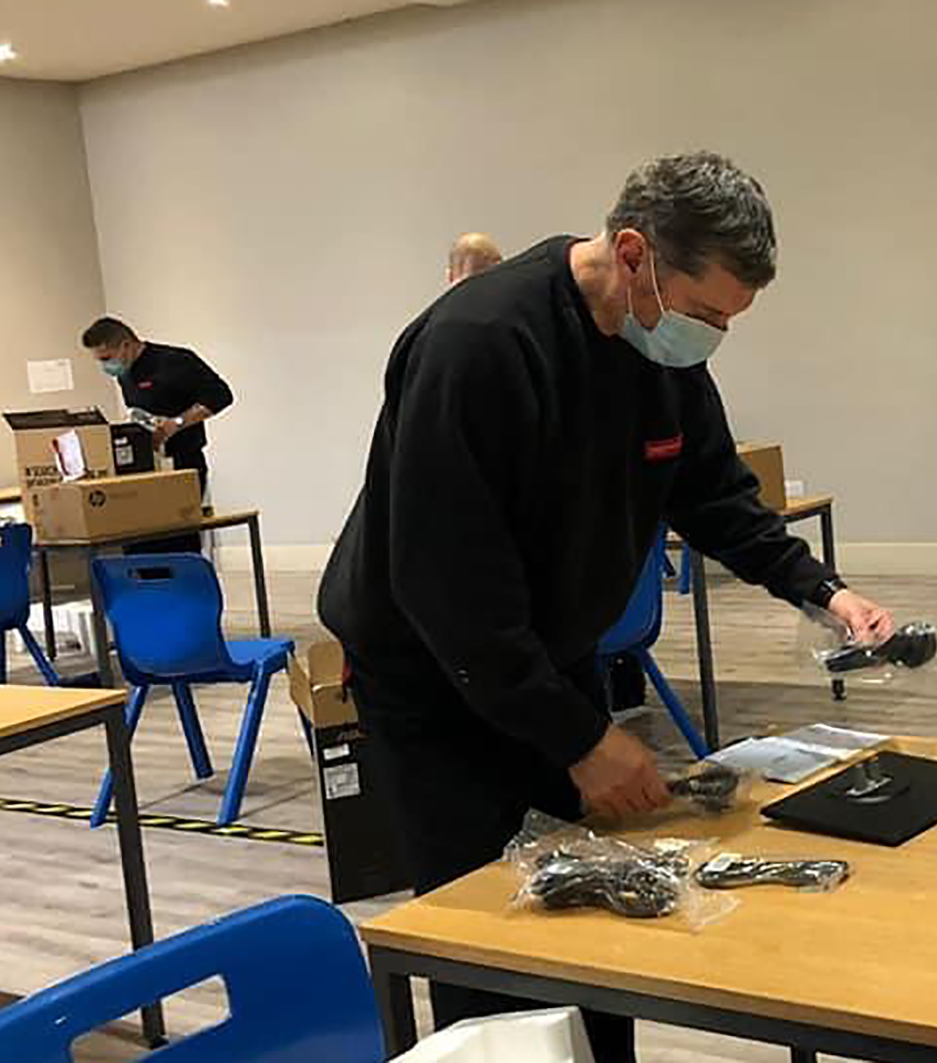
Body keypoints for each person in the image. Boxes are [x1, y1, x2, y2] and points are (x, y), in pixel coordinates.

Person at [318, 152, 892, 1060]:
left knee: (593, 907)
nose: (711, 337)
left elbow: (714, 494)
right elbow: (448, 590)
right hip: (435, 677)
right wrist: (582, 740)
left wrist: (822, 588)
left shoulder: (661, 351)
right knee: (491, 937)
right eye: (707, 313)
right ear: (633, 254)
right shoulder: (479, 346)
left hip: (547, 652)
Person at [82, 316, 234, 553]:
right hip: (146, 469)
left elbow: (221, 396)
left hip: (183, 464)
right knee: (139, 542)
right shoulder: (125, 374)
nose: (105, 366)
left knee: (177, 542)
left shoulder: (175, 361)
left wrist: (177, 423)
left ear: (126, 345)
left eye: (106, 358)